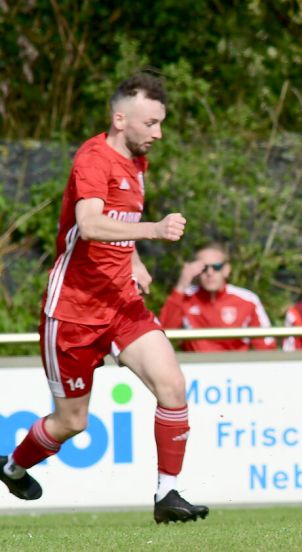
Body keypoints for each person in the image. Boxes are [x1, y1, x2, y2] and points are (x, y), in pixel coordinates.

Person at [0, 74, 208, 523]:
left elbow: (116, 223)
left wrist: (132, 260)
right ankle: (13, 467)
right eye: (151, 123)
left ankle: (167, 496)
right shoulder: (93, 159)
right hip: (72, 313)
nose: (158, 133)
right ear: (120, 119)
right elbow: (91, 224)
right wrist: (152, 231)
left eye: (161, 124)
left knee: (172, 387)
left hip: (121, 305)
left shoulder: (138, 162)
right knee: (73, 422)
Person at [159, 243, 277, 352]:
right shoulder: (184, 297)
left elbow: (267, 346)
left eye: (216, 267)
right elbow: (163, 333)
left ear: (226, 270)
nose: (210, 273)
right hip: (196, 370)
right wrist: (181, 284)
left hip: (235, 369)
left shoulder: (248, 300)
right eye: (204, 268)